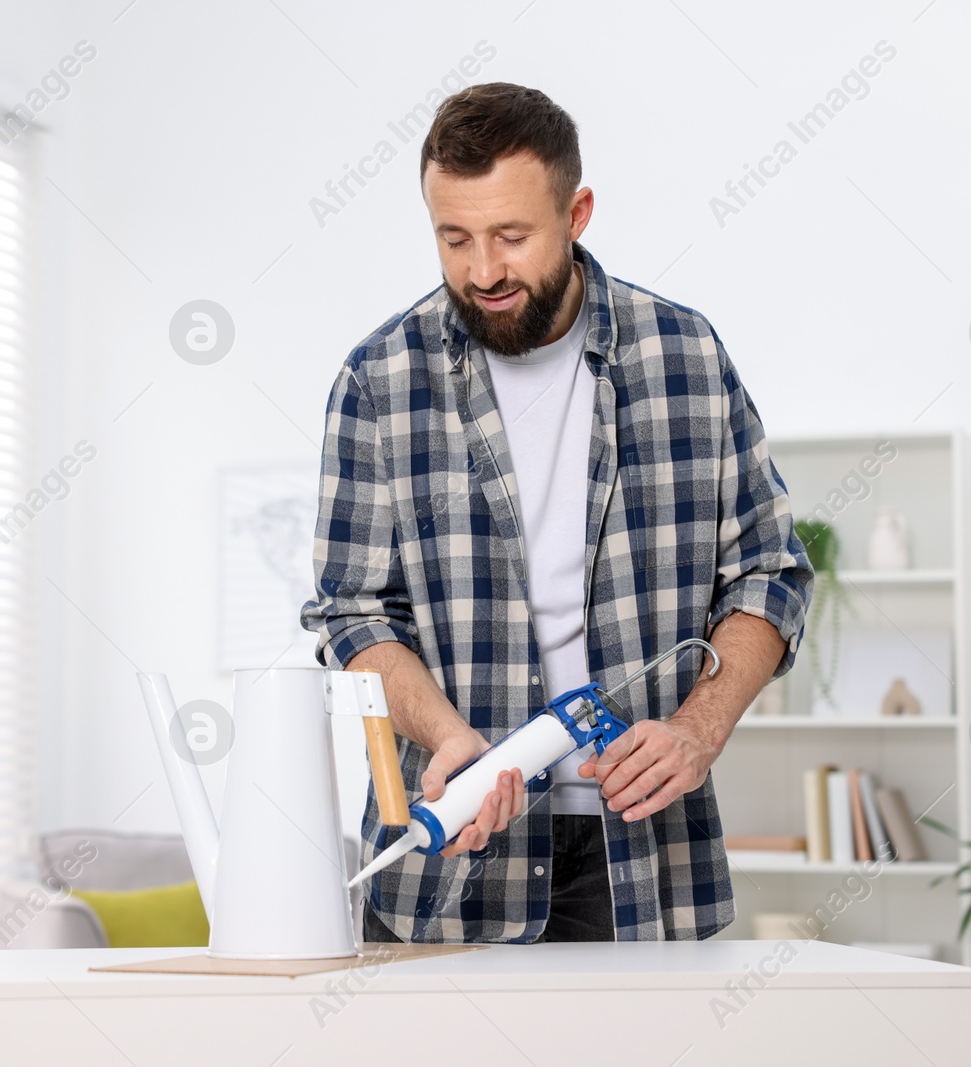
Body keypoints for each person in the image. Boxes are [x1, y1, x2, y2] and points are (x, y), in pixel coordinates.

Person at [299, 82, 814, 944]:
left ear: (576, 213)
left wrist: (699, 728)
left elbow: (770, 572)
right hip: (453, 864)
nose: (483, 271)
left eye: (511, 236)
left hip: (649, 865)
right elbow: (350, 611)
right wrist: (449, 735)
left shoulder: (684, 357)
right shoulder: (377, 382)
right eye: (453, 238)